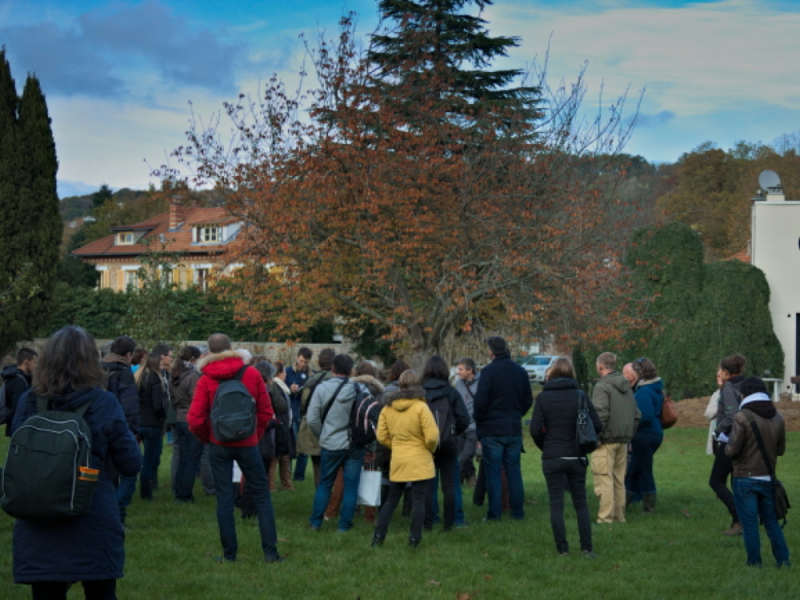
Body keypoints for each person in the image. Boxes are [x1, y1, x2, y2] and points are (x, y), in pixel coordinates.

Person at [10, 326, 141, 599]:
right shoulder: (104, 402)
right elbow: (131, 463)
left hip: (39, 513)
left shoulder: (30, 401)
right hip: (92, 512)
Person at [187, 333, 282, 563]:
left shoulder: (205, 378)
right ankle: (270, 553)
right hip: (248, 444)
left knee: (224, 499)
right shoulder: (250, 373)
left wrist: (208, 438)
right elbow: (266, 411)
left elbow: (195, 420)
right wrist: (255, 436)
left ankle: (230, 555)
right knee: (261, 495)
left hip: (218, 444)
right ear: (232, 348)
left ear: (209, 352)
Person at [530, 357, 602, 557]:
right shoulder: (580, 395)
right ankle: (587, 548)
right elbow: (597, 425)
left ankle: (562, 549)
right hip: (576, 455)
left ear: (551, 374)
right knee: (581, 503)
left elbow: (535, 429)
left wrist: (546, 446)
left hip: (552, 455)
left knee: (556, 504)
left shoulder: (543, 398)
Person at [725, 377, 789, 567]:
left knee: (750, 524)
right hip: (768, 477)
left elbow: (731, 450)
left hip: (744, 478)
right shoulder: (778, 417)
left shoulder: (741, 416)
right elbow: (780, 450)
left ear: (744, 394)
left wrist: (725, 441)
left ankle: (754, 563)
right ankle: (783, 561)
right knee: (771, 521)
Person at [372, 370, 439, 548]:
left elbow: (381, 436)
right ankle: (415, 538)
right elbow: (432, 436)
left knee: (392, 499)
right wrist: (428, 449)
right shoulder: (421, 407)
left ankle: (379, 535)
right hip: (419, 457)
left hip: (399, 458)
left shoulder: (388, 408)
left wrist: (396, 446)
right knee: (418, 500)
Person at [473, 336, 533, 521]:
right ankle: (518, 513)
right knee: (514, 471)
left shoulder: (489, 372)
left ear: (491, 352)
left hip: (492, 429)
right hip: (513, 427)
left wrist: (481, 421)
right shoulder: (520, 371)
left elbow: (480, 401)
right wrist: (516, 415)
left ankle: (494, 513)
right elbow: (527, 400)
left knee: (493, 472)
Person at [306, 353, 366, 532]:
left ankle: (316, 523)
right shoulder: (360, 388)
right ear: (351, 370)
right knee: (350, 487)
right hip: (355, 443)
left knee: (325, 483)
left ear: (333, 369)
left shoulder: (322, 389)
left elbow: (311, 419)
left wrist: (322, 435)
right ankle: (344, 525)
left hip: (331, 442)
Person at [421, 355, 470, 531]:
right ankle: (454, 519)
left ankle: (430, 518)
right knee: (451, 484)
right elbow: (464, 418)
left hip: (425, 444)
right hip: (448, 443)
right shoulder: (451, 392)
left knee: (428, 484)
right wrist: (454, 433)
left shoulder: (420, 392)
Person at [591, 352, 639, 524]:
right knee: (619, 480)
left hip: (606, 440)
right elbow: (636, 415)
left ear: (601, 366)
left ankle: (605, 518)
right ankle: (619, 516)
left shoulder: (602, 386)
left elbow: (600, 414)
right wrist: (629, 435)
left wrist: (595, 436)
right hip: (623, 439)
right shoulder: (626, 387)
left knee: (604, 478)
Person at [711, 353, 746, 536]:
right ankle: (740, 522)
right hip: (746, 440)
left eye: (720, 370)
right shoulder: (747, 384)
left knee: (716, 481)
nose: (718, 373)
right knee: (736, 482)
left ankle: (739, 518)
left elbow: (732, 416)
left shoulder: (729, 388)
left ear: (725, 372)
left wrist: (719, 428)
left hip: (730, 440)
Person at [626, 357, 664, 513]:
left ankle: (649, 508)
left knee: (643, 471)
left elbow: (645, 416)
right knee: (634, 470)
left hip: (645, 436)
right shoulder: (655, 387)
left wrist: (629, 426)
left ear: (639, 372)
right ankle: (622, 505)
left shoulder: (644, 391)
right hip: (653, 433)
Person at [295, 348, 335, 486]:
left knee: (318, 471)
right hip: (334, 429)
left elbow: (304, 406)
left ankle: (321, 502)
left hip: (314, 428)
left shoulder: (311, 381)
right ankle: (333, 503)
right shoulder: (339, 381)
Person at [170, 345, 204, 502]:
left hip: (178, 417)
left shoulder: (174, 374)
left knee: (183, 458)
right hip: (190, 418)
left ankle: (179, 491)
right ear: (193, 359)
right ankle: (185, 494)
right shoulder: (193, 376)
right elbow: (197, 399)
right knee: (192, 459)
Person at [135, 352, 167, 501]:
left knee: (137, 457)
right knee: (149, 461)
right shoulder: (154, 378)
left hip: (138, 422)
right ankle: (146, 494)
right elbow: (157, 405)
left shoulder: (138, 377)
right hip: (152, 424)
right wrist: (163, 416)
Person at [287, 348, 313, 481]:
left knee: (304, 448)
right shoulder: (287, 372)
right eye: (302, 361)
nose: (303, 364)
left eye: (306, 362)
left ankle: (299, 477)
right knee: (291, 447)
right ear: (297, 358)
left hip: (306, 415)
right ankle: (287, 476)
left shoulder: (311, 375)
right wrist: (289, 389)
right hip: (292, 412)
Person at [454, 357, 480, 487]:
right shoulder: (459, 383)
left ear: (470, 370)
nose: (458, 372)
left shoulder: (481, 383)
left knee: (465, 456)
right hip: (461, 426)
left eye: (460, 369)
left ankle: (457, 481)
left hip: (474, 426)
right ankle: (471, 478)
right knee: (460, 455)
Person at [2, 347, 37, 438]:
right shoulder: (19, 381)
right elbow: (18, 408)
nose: (35, 365)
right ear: (26, 362)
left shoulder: (13, 377)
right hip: (17, 428)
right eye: (34, 362)